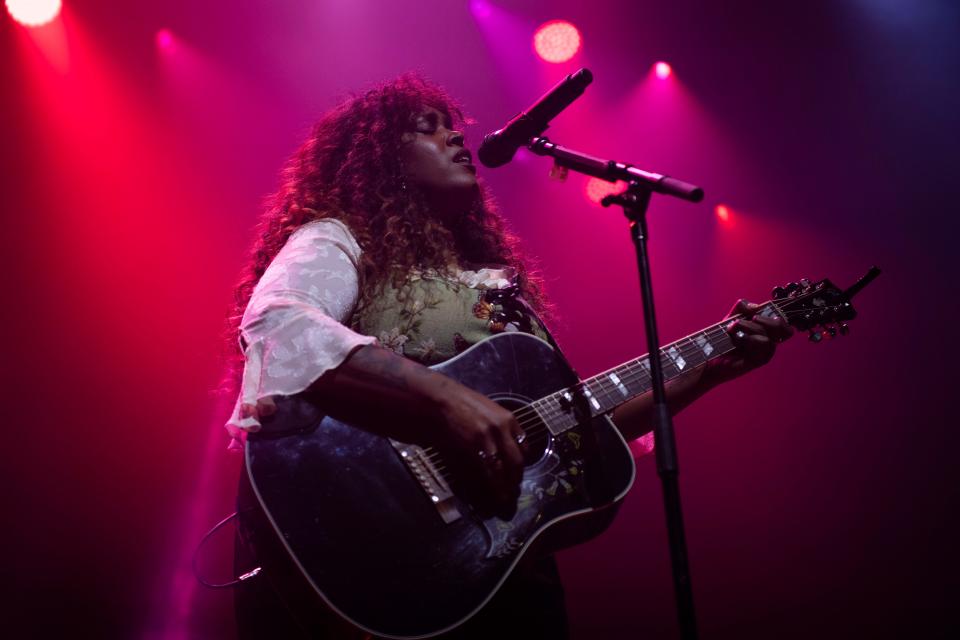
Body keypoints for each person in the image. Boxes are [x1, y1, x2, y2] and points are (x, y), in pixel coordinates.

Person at [223, 74, 792, 639]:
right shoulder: (338, 238)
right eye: (428, 129)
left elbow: (571, 426)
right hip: (381, 533)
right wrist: (445, 397)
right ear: (377, 159)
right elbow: (280, 322)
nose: (455, 138)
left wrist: (708, 374)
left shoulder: (494, 285)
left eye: (455, 127)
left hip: (503, 567)